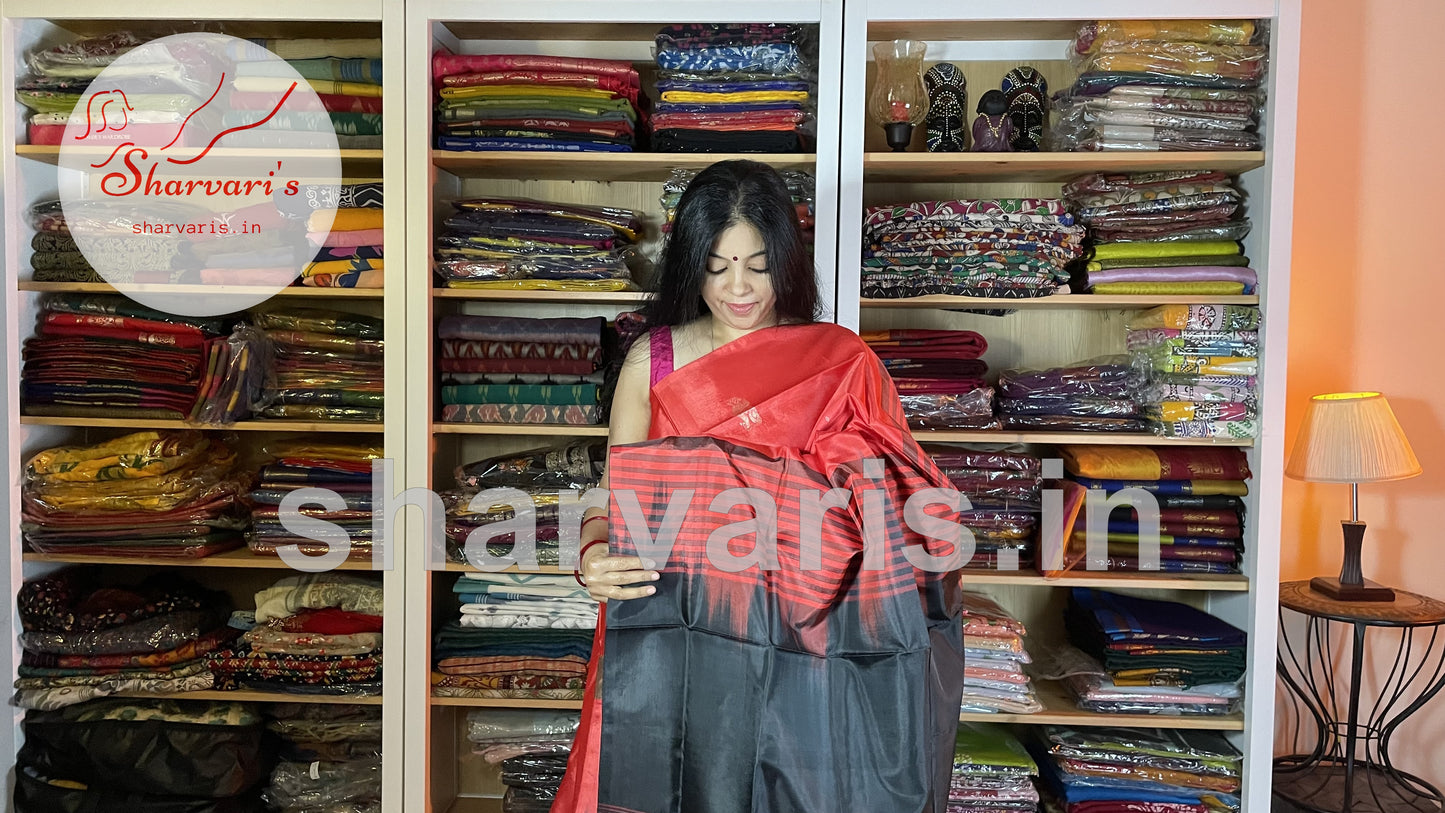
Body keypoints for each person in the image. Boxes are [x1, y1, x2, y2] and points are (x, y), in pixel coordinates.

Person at [551, 160, 964, 813]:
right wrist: (592, 553)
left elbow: (902, 497)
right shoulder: (651, 361)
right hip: (673, 623)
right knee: (660, 784)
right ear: (690, 262)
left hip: (805, 640)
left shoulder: (839, 361)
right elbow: (611, 495)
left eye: (757, 264)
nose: (738, 288)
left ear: (786, 260)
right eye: (716, 266)